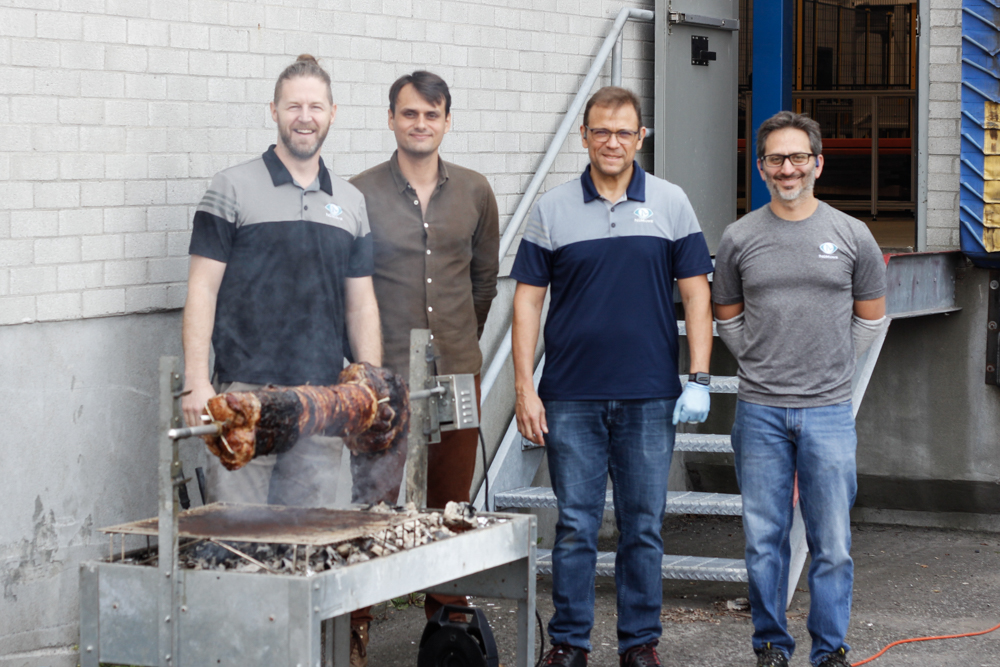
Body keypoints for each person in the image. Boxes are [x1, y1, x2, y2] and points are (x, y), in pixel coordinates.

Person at [511, 86, 715, 667]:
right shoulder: (552, 208)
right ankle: (569, 644)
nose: (612, 142)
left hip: (650, 394)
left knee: (642, 527)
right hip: (570, 395)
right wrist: (525, 387)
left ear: (641, 136)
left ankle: (639, 645)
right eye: (601, 131)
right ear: (584, 136)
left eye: (624, 131)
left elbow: (696, 295)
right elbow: (527, 302)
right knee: (574, 526)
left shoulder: (672, 203)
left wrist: (698, 376)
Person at [712, 110, 887, 667]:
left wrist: (829, 364)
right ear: (760, 166)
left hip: (829, 412)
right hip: (759, 410)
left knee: (832, 544)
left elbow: (871, 318)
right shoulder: (739, 237)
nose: (787, 168)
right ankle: (770, 646)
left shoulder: (851, 234)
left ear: (817, 163)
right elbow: (728, 318)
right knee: (764, 542)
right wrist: (765, 363)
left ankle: (830, 650)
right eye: (775, 158)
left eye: (797, 157)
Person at [181, 54, 382, 509]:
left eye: (315, 107)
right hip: (242, 397)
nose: (304, 118)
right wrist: (196, 380)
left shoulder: (351, 202)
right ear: (274, 111)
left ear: (333, 114)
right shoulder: (230, 187)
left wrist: (368, 384)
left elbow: (361, 304)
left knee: (303, 545)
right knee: (237, 540)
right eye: (293, 107)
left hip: (320, 404)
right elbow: (202, 289)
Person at [347, 71, 500, 665]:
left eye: (431, 115)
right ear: (391, 118)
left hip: (457, 373)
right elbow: (348, 284)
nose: (420, 124)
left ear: (447, 121)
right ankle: (354, 627)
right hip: (382, 384)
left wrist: (460, 341)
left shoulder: (475, 190)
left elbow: (483, 280)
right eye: (409, 114)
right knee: (372, 510)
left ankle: (449, 637)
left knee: (449, 509)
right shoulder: (358, 194)